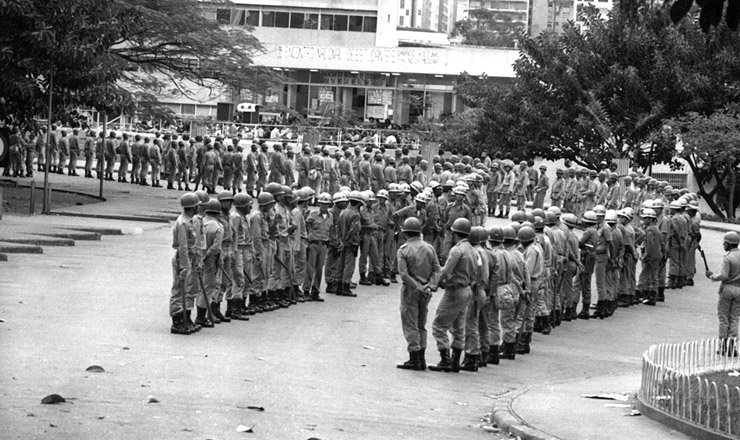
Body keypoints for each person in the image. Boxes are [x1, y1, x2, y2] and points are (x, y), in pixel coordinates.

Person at [429, 218, 477, 373]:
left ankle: (445, 360)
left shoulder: (457, 250)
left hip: (454, 291)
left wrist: (433, 283)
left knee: (439, 325)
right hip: (466, 290)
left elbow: (446, 271)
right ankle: (455, 361)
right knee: (458, 327)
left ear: (455, 233)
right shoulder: (471, 249)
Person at [396, 217, 441, 371]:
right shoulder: (430, 248)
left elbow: (404, 274)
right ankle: (421, 358)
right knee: (421, 324)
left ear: (405, 233)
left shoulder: (404, 250)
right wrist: (430, 286)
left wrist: (417, 286)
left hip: (411, 291)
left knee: (410, 324)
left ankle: (414, 357)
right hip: (426, 292)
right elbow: (436, 269)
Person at [169, 193, 200, 335]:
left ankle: (184, 319)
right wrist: (184, 266)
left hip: (189, 258)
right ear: (193, 207)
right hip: (183, 259)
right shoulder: (182, 222)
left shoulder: (190, 221)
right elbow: (182, 246)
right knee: (179, 289)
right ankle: (177, 321)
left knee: (187, 289)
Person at [706, 231, 740, 357]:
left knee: (723, 318)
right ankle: (733, 346)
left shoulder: (728, 258)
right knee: (735, 318)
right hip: (739, 289)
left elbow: (724, 275)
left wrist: (712, 276)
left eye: (725, 242)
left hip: (728, 288)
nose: (723, 244)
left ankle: (723, 345)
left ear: (729, 244)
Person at [304, 193, 333, 301]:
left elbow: (331, 230)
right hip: (314, 244)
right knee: (310, 268)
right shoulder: (313, 214)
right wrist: (308, 237)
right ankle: (306, 290)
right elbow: (306, 225)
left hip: (324, 244)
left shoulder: (331, 217)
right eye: (322, 204)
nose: (324, 206)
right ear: (319, 204)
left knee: (319, 269)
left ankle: (315, 291)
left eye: (326, 204)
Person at [338, 191, 363, 297]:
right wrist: (347, 241)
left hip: (342, 241)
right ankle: (346, 287)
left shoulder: (343, 212)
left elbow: (338, 228)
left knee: (341, 264)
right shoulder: (355, 215)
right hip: (351, 242)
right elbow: (353, 230)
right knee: (349, 265)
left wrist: (341, 241)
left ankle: (339, 286)